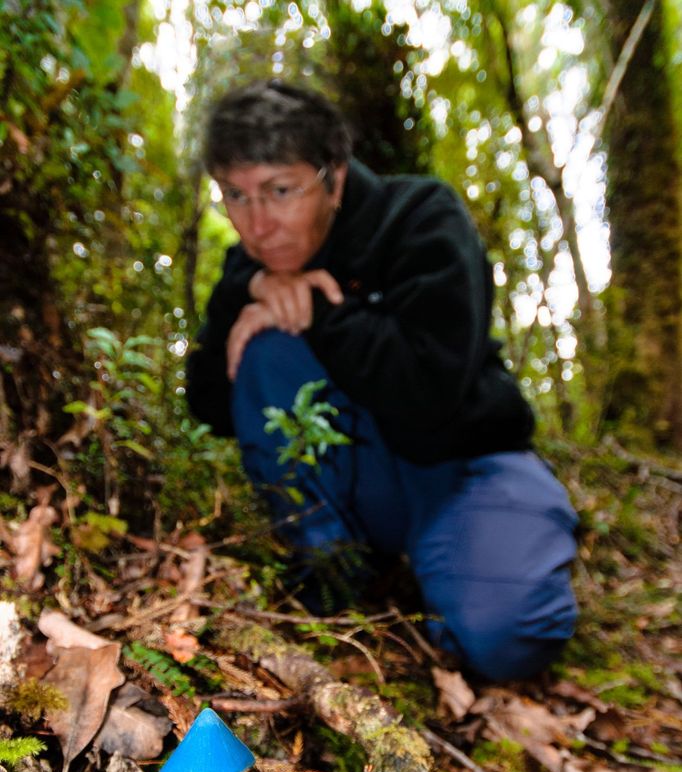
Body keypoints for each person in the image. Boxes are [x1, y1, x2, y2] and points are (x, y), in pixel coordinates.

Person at [186, 79, 578, 682]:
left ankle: (488, 546)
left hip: (465, 463)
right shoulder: (248, 268)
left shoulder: (421, 217)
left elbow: (430, 394)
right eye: (235, 196)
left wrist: (320, 313)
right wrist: (250, 295)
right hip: (368, 483)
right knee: (264, 349)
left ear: (334, 177)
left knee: (508, 639)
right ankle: (335, 567)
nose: (256, 224)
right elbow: (211, 405)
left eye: (279, 190)